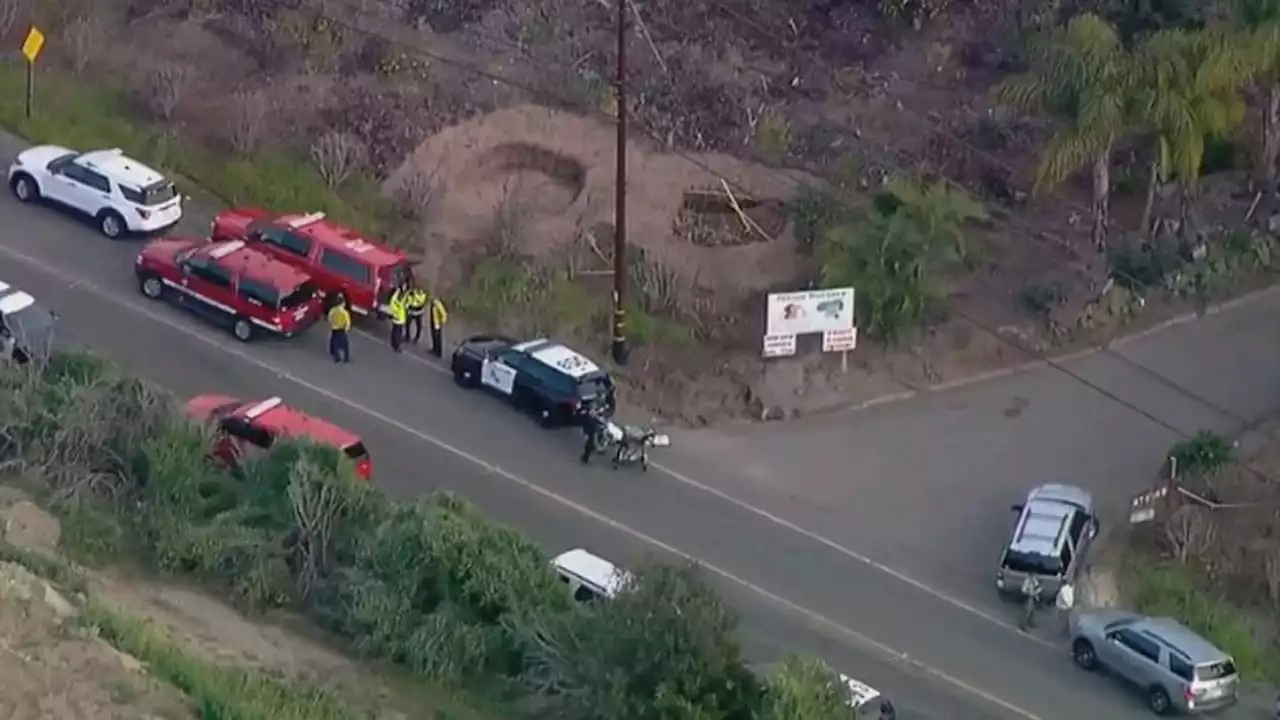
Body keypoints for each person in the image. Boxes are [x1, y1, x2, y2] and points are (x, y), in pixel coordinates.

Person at [327, 293, 351, 363]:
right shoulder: (344, 313)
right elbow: (347, 322)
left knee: (334, 342)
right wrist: (346, 329)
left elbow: (329, 318)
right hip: (342, 330)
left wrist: (332, 324)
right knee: (345, 345)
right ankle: (346, 358)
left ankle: (336, 356)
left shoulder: (333, 310)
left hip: (334, 329)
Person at [388, 284, 408, 352]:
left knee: (395, 331)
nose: (405, 287)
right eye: (404, 285)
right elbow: (394, 303)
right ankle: (396, 346)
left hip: (397, 316)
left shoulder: (398, 295)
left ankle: (394, 343)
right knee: (397, 332)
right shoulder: (400, 296)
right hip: (399, 317)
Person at [428, 293, 448, 358]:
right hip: (433, 322)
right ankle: (434, 349)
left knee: (437, 338)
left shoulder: (438, 304)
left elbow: (444, 314)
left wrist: (441, 322)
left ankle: (438, 352)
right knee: (433, 336)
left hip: (437, 324)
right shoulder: (433, 304)